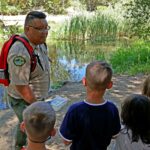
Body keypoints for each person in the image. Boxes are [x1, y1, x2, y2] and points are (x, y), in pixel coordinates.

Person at [7, 11, 51, 150]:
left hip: (35, 98)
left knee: (27, 125)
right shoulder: (19, 51)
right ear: (27, 29)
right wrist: (37, 106)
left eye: (46, 28)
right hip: (23, 100)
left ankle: (25, 146)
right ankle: (20, 147)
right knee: (29, 126)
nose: (45, 32)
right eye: (40, 29)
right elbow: (20, 86)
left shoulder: (40, 42)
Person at [59, 61, 121, 150]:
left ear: (84, 81)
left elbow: (66, 141)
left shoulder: (75, 110)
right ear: (110, 85)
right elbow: (115, 135)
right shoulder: (112, 109)